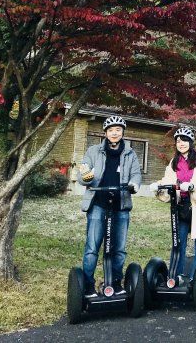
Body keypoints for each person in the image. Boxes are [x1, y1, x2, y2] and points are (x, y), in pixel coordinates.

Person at [78, 115, 142, 297]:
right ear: (105, 133)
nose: (115, 133)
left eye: (118, 130)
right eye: (111, 130)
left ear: (122, 132)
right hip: (98, 202)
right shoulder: (93, 151)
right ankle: (88, 286)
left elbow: (136, 174)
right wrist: (86, 177)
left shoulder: (130, 153)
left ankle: (115, 282)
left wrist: (134, 184)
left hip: (121, 203)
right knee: (92, 246)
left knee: (119, 248)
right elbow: (83, 172)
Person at [149, 126, 196, 283]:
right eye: (178, 141)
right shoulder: (174, 162)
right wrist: (158, 186)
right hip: (181, 205)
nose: (181, 143)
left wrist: (192, 186)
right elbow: (168, 180)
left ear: (190, 142)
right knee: (178, 242)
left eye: (184, 140)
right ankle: (175, 278)